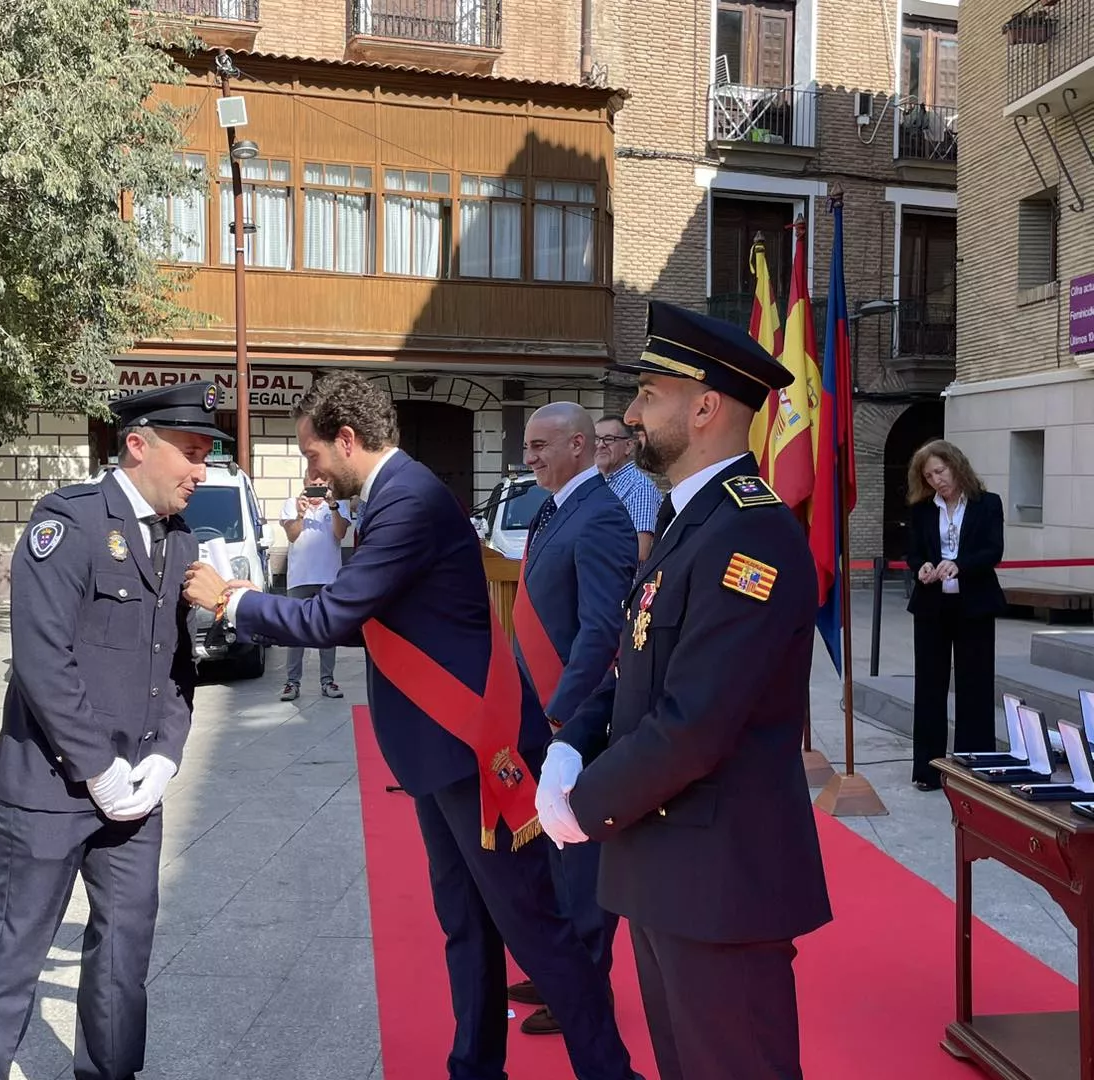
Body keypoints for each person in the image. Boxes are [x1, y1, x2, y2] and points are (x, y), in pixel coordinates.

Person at [183, 372, 643, 1080]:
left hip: (473, 749)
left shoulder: (409, 501)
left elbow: (335, 615)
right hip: (439, 752)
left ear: (346, 439)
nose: (311, 471)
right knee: (466, 925)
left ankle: (610, 1072)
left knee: (536, 931)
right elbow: (373, 617)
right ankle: (475, 1066)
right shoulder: (393, 498)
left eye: (312, 455)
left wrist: (233, 603)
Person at [537, 300, 831, 1080]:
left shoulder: (751, 533)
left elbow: (695, 721)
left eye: (648, 395)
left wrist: (583, 805)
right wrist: (572, 743)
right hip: (667, 867)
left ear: (704, 409)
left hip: (720, 879)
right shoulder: (688, 520)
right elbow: (640, 666)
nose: (632, 415)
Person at [0, 381, 227, 1080]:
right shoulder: (67, 523)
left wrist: (165, 756)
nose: (202, 470)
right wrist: (99, 768)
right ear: (138, 446)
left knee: (124, 956)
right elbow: (43, 661)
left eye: (206, 455)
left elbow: (175, 664)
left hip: (135, 794)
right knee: (14, 955)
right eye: (191, 453)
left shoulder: (179, 539)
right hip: (51, 786)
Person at [507, 403, 638, 1036]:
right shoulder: (554, 508)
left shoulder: (602, 514)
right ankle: (560, 969)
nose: (528, 456)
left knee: (580, 858)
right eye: (527, 446)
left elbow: (601, 629)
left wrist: (564, 710)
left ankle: (586, 990)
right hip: (541, 706)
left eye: (540, 445)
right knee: (553, 846)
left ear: (579, 445)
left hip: (575, 714)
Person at [905, 439, 1005, 792]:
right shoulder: (922, 510)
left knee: (975, 686)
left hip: (975, 605)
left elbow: (993, 551)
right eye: (929, 476)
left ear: (956, 466)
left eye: (940, 471)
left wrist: (959, 565)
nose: (936, 480)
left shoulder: (987, 504)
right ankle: (928, 769)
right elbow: (914, 553)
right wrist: (922, 566)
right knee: (929, 687)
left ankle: (974, 769)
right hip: (932, 606)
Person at [277, 468, 350, 702]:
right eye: (312, 484)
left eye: (321, 485)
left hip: (329, 578)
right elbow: (292, 535)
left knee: (327, 631)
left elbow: (340, 534)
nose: (317, 489)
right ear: (305, 484)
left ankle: (327, 680)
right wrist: (300, 514)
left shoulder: (338, 505)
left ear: (328, 484)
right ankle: (292, 682)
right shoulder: (292, 504)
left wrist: (332, 506)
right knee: (295, 631)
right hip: (299, 578)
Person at [594, 414, 662, 563]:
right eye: (596, 439)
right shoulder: (598, 484)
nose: (600, 445)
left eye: (609, 439)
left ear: (629, 446)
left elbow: (641, 551)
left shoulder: (639, 488)